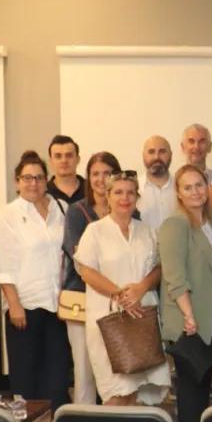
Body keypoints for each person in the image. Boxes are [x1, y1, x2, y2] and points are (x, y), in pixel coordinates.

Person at [73, 170, 169, 405]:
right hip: (109, 319)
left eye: (130, 193)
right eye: (118, 192)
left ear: (137, 197)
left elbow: (158, 268)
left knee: (136, 389)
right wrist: (120, 295)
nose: (124, 198)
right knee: (115, 391)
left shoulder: (148, 231)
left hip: (142, 317)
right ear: (107, 196)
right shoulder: (95, 231)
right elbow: (86, 272)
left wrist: (141, 288)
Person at [0, 151, 68, 422]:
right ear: (17, 182)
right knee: (25, 372)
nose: (33, 183)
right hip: (24, 304)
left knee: (57, 370)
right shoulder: (8, 215)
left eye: (38, 177)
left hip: (58, 304)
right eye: (27, 177)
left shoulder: (60, 208)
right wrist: (14, 304)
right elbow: (4, 264)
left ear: (46, 180)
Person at [158, 165, 212, 422]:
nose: (195, 192)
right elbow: (174, 275)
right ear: (178, 193)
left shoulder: (209, 221)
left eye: (199, 185)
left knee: (203, 376)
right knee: (189, 379)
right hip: (188, 315)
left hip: (209, 314)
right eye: (188, 187)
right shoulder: (176, 224)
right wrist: (188, 315)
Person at [62, 151, 130, 405]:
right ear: (88, 178)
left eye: (107, 173)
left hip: (122, 304)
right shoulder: (77, 212)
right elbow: (81, 260)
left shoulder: (130, 212)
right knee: (85, 371)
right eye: (95, 174)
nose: (101, 179)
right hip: (84, 301)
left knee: (120, 372)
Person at [138, 136, 176, 230]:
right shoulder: (134, 189)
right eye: (151, 152)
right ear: (143, 155)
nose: (156, 157)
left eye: (162, 151)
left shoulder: (182, 188)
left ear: (171, 155)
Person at [47, 135, 84, 204]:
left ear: (78, 159)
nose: (64, 160)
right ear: (51, 161)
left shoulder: (91, 190)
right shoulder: (44, 193)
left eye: (69, 155)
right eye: (58, 156)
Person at [181, 123, 212, 187]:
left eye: (202, 141)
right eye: (191, 141)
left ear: (209, 147)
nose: (196, 147)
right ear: (183, 147)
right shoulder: (174, 181)